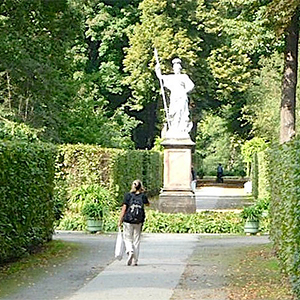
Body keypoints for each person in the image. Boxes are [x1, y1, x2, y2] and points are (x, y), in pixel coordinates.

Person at [155, 58, 194, 138]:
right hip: (174, 97)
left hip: (182, 97)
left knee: (181, 112)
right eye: (175, 68)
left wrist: (185, 91)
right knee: (173, 112)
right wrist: (157, 69)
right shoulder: (171, 77)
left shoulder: (184, 77)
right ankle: (174, 129)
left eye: (178, 68)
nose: (177, 69)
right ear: (173, 69)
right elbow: (160, 77)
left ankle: (181, 129)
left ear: (180, 68)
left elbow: (191, 85)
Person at [118, 179, 149, 266]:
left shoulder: (128, 196)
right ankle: (135, 260)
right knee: (136, 240)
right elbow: (147, 204)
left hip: (128, 220)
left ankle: (130, 250)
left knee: (127, 237)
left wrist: (120, 220)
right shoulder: (143, 196)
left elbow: (124, 208)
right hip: (138, 221)